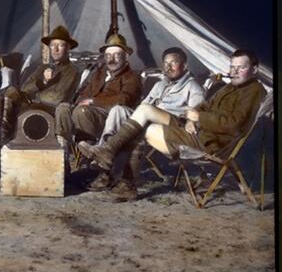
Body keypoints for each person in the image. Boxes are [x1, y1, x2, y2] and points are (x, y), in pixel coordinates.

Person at [78, 49, 266, 201]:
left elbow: (234, 125)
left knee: (143, 117)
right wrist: (195, 118)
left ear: (255, 69)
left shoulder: (253, 91)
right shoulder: (229, 87)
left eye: (240, 68)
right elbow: (204, 106)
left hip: (210, 141)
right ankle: (120, 174)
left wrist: (197, 118)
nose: (233, 71)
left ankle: (114, 164)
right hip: (198, 131)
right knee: (138, 119)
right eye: (232, 67)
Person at [80, 46, 206, 200]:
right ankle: (106, 159)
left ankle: (108, 159)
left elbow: (198, 111)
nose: (168, 67)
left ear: (184, 66)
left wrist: (191, 121)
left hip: (171, 126)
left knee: (142, 117)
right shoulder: (160, 85)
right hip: (148, 118)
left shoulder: (192, 87)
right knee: (118, 110)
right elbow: (142, 107)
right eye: (165, 64)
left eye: (173, 63)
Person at [55, 32, 142, 188]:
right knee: (63, 108)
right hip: (87, 114)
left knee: (82, 111)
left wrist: (93, 101)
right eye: (108, 55)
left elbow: (124, 99)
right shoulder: (98, 74)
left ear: (125, 57)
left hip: (111, 119)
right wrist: (81, 102)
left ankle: (86, 151)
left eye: (117, 55)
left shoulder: (132, 77)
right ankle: (63, 161)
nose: (112, 59)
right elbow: (83, 94)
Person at [0, 25, 81, 160]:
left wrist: (36, 96)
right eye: (52, 45)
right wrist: (42, 81)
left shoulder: (72, 70)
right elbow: (25, 89)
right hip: (32, 104)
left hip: (52, 110)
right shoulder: (42, 68)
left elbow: (57, 98)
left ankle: (4, 143)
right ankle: (6, 140)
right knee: (4, 98)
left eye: (60, 45)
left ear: (67, 48)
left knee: (11, 103)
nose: (55, 49)